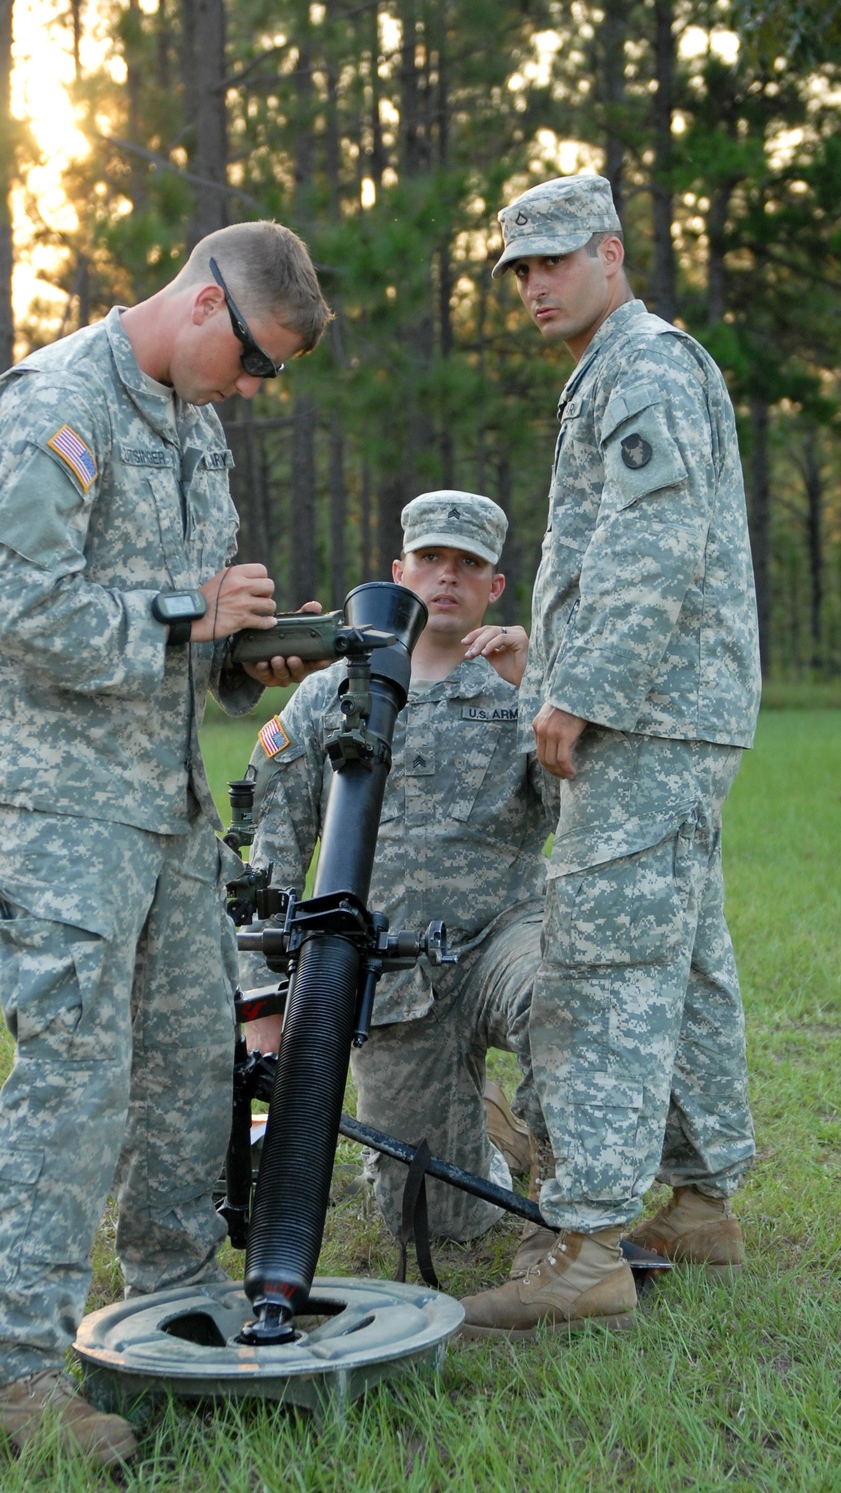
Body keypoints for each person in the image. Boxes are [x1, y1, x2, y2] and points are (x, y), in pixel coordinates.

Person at [0, 221, 332, 1464]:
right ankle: (12, 1374)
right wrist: (187, 610)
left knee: (187, 1059)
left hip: (159, 798)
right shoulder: (57, 403)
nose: (258, 390)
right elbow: (15, 602)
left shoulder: (193, 427)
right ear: (208, 304)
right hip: (54, 798)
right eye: (259, 360)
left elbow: (188, 645)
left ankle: (167, 1304)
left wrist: (244, 658)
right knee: (75, 1074)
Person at [459, 175, 761, 1341]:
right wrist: (558, 653)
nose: (533, 286)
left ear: (611, 254)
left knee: (600, 965)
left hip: (645, 719)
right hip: (670, 713)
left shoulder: (640, 368)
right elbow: (621, 558)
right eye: (518, 270)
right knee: (681, 960)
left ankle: (582, 1244)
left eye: (551, 262)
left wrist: (580, 691)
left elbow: (656, 542)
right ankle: (699, 1201)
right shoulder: (625, 367)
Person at [238, 491, 555, 1243]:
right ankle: (480, 1134)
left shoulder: (522, 689)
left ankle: (568, 1213)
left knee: (562, 1000)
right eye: (432, 559)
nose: (448, 577)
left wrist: (539, 681)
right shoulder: (329, 695)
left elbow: (574, 813)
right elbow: (273, 849)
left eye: (468, 564)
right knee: (437, 1223)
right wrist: (264, 1002)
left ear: (493, 587)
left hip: (504, 938)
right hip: (392, 978)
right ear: (398, 570)